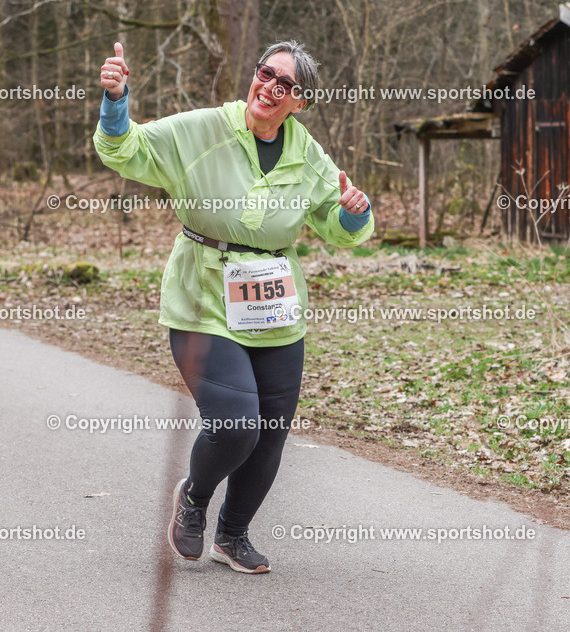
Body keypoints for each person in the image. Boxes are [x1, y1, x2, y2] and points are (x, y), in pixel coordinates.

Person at [94, 40, 374, 574]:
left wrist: (355, 213)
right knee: (235, 424)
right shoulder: (201, 130)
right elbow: (124, 150)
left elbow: (337, 228)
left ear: (300, 103)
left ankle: (234, 534)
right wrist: (116, 99)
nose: (271, 87)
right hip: (203, 299)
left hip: (275, 307)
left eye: (286, 85)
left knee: (270, 433)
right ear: (254, 77)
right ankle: (196, 498)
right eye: (266, 73)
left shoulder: (307, 153)